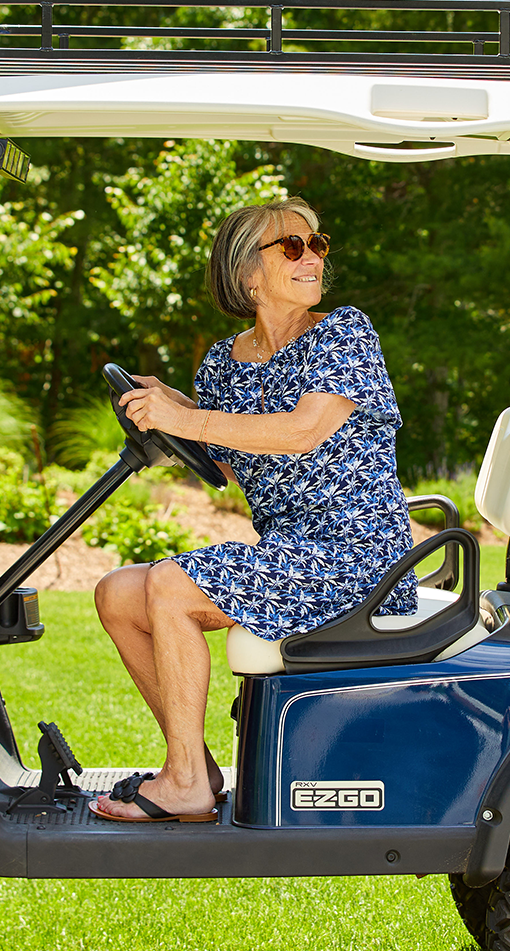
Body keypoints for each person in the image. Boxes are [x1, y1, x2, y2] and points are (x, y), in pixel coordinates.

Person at [90, 198, 416, 822]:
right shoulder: (223, 363)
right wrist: (170, 408)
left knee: (171, 584)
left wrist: (186, 417)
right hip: (288, 557)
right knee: (117, 594)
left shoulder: (343, 333)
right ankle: (196, 764)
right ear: (248, 274)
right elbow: (225, 459)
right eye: (292, 247)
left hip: (358, 557)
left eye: (317, 244)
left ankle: (183, 784)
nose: (312, 257)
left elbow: (301, 432)